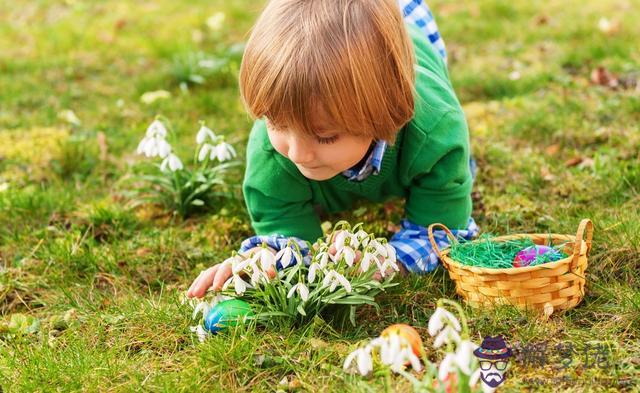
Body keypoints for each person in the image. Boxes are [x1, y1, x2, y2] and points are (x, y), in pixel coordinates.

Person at [187, 0, 479, 299]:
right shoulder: (271, 154)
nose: (298, 154)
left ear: (386, 114)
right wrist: (268, 260)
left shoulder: (436, 132)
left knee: (456, 173)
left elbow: (442, 229)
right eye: (277, 123)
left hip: (410, 24)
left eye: (325, 136)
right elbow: (288, 233)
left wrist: (392, 260)